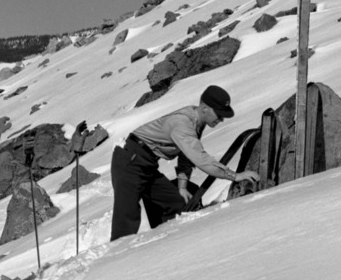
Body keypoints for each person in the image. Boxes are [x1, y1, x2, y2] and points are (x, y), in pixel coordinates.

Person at [110, 84, 260, 239]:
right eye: (219, 114)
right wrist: (235, 176)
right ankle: (117, 260)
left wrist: (182, 186)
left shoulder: (196, 122)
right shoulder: (183, 124)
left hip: (145, 163)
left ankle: (163, 244)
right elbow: (200, 159)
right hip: (129, 161)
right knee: (126, 221)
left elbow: (186, 156)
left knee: (174, 202)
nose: (221, 119)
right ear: (204, 108)